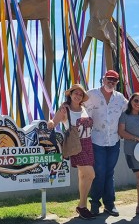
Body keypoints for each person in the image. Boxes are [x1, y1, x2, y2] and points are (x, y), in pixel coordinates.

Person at [48, 84, 95, 220]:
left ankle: (83, 206)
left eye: (80, 94)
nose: (78, 96)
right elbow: (54, 122)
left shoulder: (84, 109)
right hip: (76, 145)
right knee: (91, 175)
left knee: (83, 176)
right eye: (76, 93)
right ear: (70, 94)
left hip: (88, 143)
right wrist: (50, 123)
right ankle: (81, 206)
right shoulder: (64, 110)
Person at [84, 69, 127, 217]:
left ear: (116, 82)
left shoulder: (120, 98)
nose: (111, 82)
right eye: (109, 79)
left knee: (109, 173)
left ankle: (109, 204)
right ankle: (95, 203)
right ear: (103, 79)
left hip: (114, 141)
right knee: (99, 173)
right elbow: (79, 106)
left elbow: (133, 109)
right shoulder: (92, 94)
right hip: (96, 140)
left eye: (114, 80)